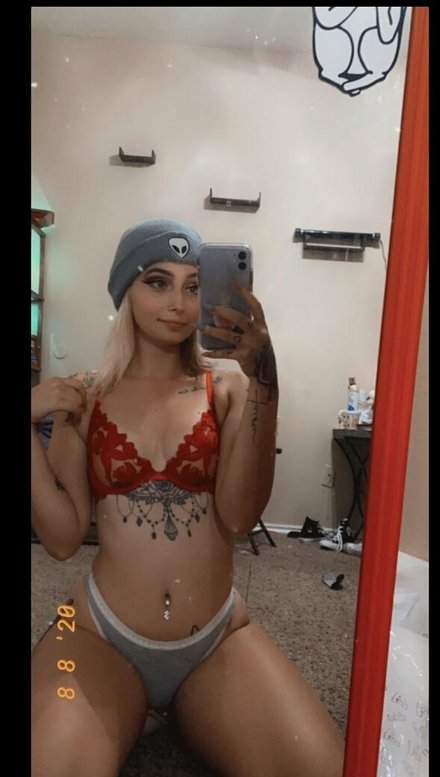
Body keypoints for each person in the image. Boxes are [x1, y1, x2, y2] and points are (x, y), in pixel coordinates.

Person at [32, 218, 344, 777]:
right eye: (157, 282)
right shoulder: (87, 395)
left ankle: (174, 710)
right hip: (97, 633)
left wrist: (265, 379)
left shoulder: (227, 389)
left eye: (194, 285)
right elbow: (60, 540)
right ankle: (145, 708)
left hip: (216, 639)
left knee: (323, 768)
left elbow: (240, 516)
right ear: (125, 290)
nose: (178, 302)